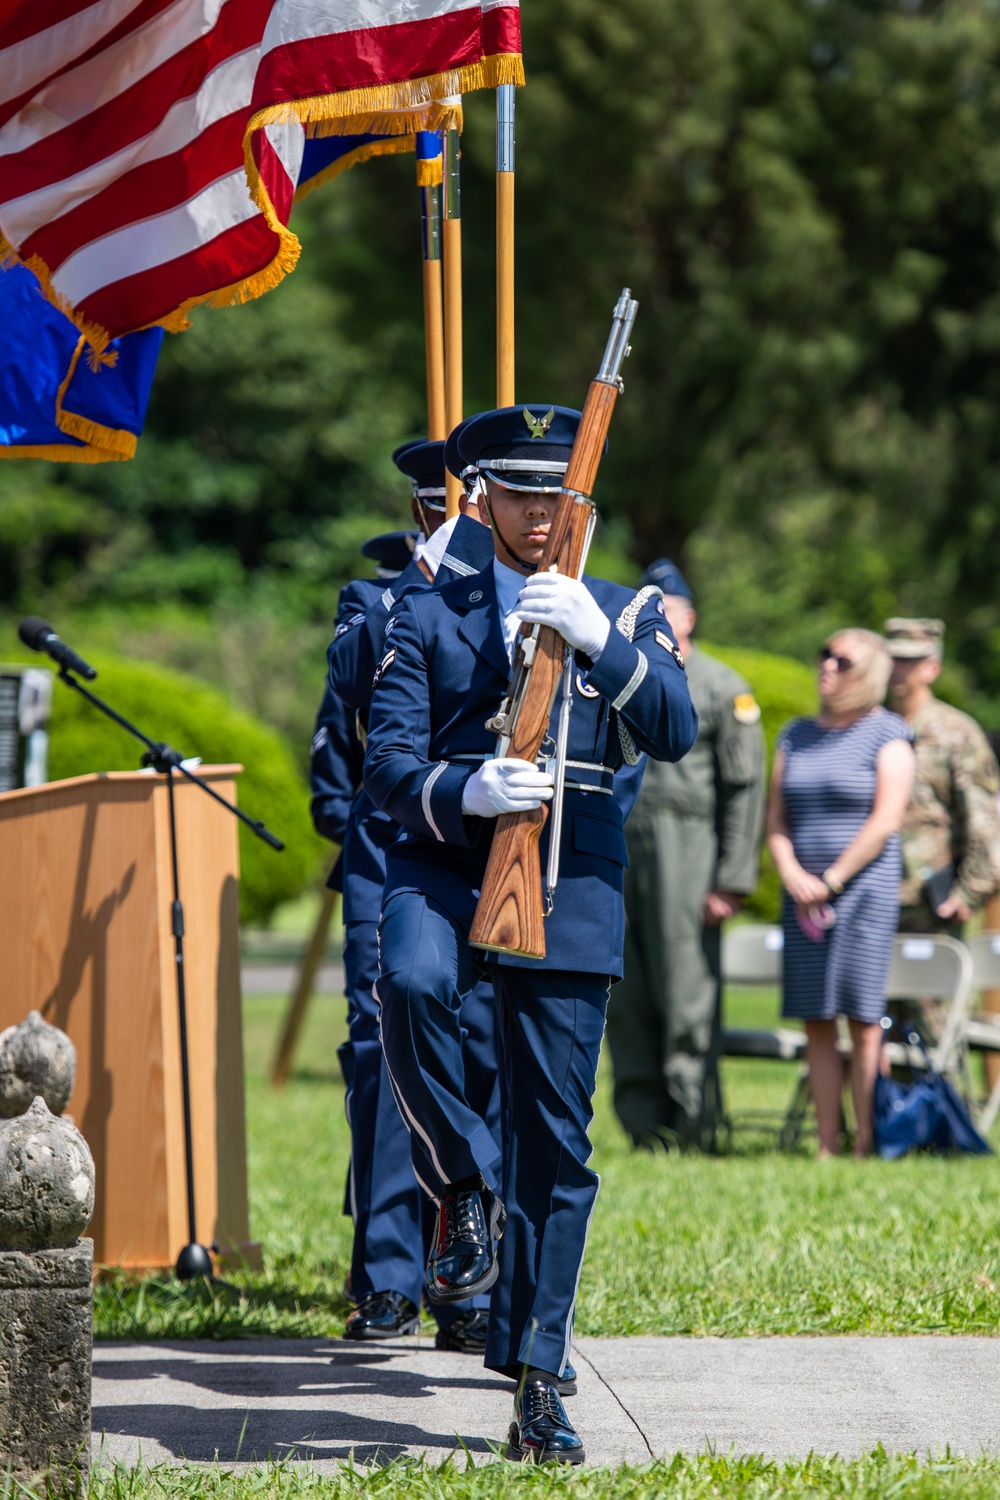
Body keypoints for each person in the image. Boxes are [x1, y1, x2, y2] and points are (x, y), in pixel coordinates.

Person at [364, 404, 697, 1463]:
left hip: (571, 885)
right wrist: (467, 789)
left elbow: (676, 729)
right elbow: (386, 772)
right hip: (449, 868)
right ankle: (463, 1186)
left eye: (558, 494)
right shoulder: (424, 611)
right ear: (482, 498)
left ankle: (539, 1377)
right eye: (519, 492)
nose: (542, 513)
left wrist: (600, 642)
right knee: (412, 988)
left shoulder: (625, 605)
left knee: (556, 1144)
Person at [312, 444, 498, 1352]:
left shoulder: (511, 592)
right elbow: (349, 696)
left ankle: (470, 1285)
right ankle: (389, 1277)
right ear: (422, 512)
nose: (447, 524)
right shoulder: (374, 601)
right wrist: (412, 593)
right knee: (382, 1057)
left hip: (485, 853)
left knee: (480, 1047)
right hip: (389, 855)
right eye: (437, 510)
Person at [606, 558, 765, 1151]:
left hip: (688, 847)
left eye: (666, 610)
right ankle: (644, 1126)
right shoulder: (623, 670)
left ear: (690, 615)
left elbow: (745, 792)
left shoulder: (723, 686)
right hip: (622, 839)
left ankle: (695, 1123)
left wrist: (732, 878)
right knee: (626, 988)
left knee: (685, 988)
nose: (656, 621)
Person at [766, 629, 914, 1158]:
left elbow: (886, 819)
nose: (827, 665)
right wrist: (792, 875)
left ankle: (869, 1142)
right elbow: (776, 819)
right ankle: (828, 1144)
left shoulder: (889, 733)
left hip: (862, 894)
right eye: (822, 653)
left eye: (842, 659)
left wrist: (831, 880)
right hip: (803, 896)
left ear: (870, 672)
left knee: (863, 1016)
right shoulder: (794, 734)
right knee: (817, 1017)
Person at [884, 618, 1000, 934]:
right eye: (892, 659)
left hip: (931, 904)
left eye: (909, 661)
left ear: (932, 668)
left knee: (931, 982)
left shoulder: (957, 733)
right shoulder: (866, 726)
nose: (898, 668)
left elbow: (983, 821)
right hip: (869, 898)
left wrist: (968, 893)